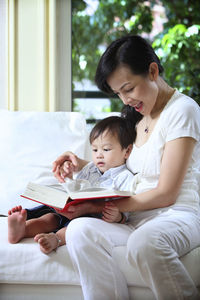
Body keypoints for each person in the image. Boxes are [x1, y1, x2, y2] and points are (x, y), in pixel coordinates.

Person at [53, 35, 200, 300]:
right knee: (79, 230)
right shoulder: (134, 118)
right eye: (118, 93)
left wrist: (100, 206)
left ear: (153, 71)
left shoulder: (183, 110)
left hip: (175, 215)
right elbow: (126, 167)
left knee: (145, 243)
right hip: (135, 218)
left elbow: (166, 193)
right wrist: (80, 164)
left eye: (128, 88)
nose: (125, 99)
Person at [8, 116, 135, 254]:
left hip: (92, 218)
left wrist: (118, 217)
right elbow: (76, 190)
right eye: (94, 150)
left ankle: (55, 239)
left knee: (72, 228)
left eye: (106, 149)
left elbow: (127, 209)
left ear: (127, 151)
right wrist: (68, 179)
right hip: (70, 211)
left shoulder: (125, 177)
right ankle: (22, 229)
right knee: (49, 218)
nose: (99, 155)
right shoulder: (90, 168)